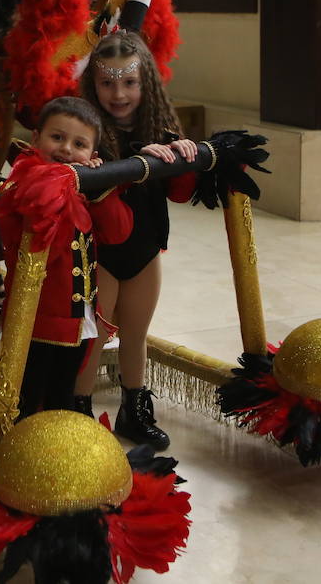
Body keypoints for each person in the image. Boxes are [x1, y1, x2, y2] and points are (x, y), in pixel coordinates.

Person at [75, 31, 198, 450]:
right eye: (108, 82)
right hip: (101, 256)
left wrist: (180, 157)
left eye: (129, 82)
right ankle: (78, 410)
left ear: (146, 83)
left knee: (136, 333)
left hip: (146, 251)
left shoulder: (160, 128)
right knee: (93, 336)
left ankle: (134, 408)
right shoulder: (86, 133)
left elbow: (181, 194)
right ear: (93, 84)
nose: (119, 93)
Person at [0, 96, 132, 417]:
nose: (67, 149)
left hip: (79, 320)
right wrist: (59, 191)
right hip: (37, 322)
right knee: (29, 400)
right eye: (57, 137)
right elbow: (44, 246)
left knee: (62, 394)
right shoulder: (20, 188)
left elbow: (118, 233)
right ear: (36, 139)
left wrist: (99, 191)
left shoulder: (86, 190)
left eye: (79, 143)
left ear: (92, 155)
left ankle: (58, 455)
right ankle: (24, 458)